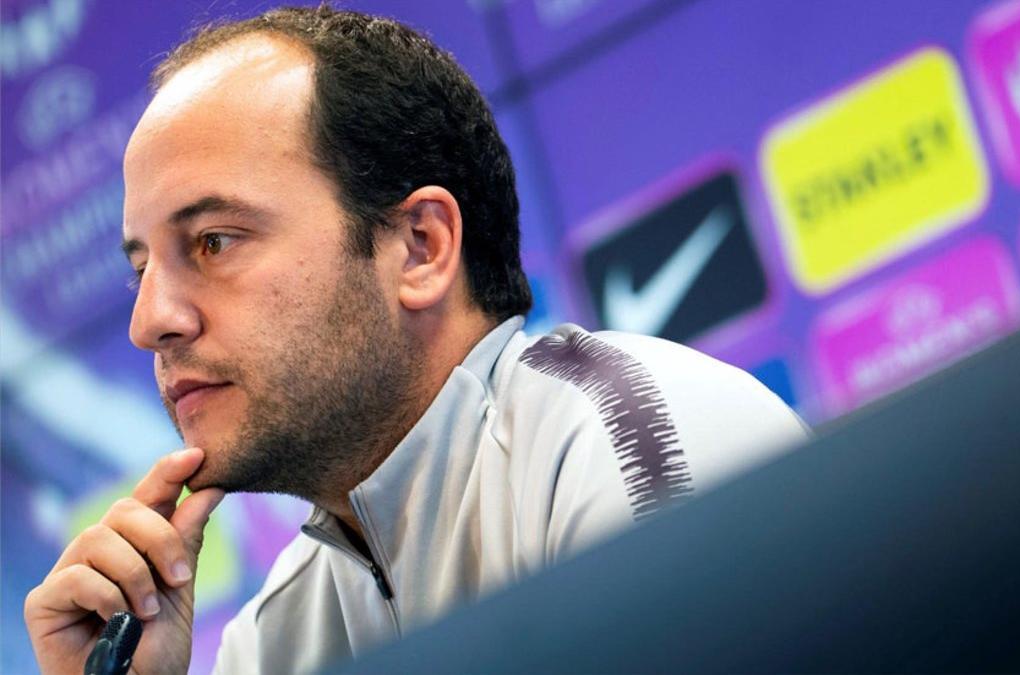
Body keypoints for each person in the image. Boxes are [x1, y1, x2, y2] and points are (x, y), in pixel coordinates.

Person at [23, 5, 809, 673]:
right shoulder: (272, 641)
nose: (149, 320)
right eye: (140, 269)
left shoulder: (633, 449)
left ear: (422, 247)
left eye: (214, 242)